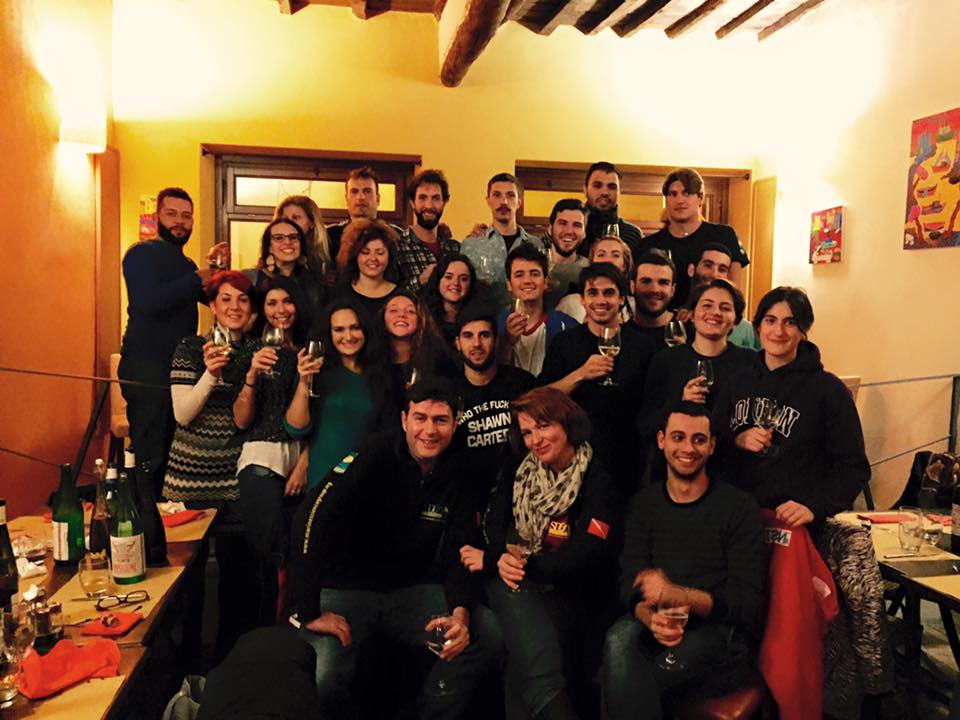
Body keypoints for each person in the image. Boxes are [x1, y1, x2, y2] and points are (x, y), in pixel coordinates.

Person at [291, 377, 501, 718]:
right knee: (323, 675)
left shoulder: (461, 468)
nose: (429, 430)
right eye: (420, 418)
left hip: (410, 593)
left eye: (440, 420)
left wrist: (459, 613)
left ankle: (429, 713)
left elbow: (462, 546)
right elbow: (311, 516)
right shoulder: (374, 452)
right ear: (404, 420)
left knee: (486, 632)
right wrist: (308, 609)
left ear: (455, 423)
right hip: (345, 591)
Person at [603, 402, 765, 720]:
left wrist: (680, 596)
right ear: (661, 440)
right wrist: (649, 617)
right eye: (678, 437)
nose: (688, 449)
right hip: (658, 621)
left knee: (634, 679)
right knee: (616, 641)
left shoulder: (739, 507)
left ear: (712, 445)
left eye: (698, 439)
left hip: (719, 632)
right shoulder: (643, 505)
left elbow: (747, 604)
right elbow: (629, 583)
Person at [462, 387, 617, 720]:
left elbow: (586, 555)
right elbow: (495, 521)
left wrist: (515, 564)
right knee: (514, 612)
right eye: (528, 432)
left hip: (574, 588)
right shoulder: (519, 466)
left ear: (568, 424)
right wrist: (500, 558)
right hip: (519, 576)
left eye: (544, 426)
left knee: (521, 643)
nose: (535, 440)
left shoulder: (597, 475)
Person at [712, 287, 870, 528]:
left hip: (795, 526)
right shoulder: (737, 382)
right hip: (737, 521)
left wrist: (813, 506)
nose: (779, 331)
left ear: (804, 330)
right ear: (758, 326)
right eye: (770, 320)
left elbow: (853, 467)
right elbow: (712, 446)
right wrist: (738, 439)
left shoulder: (828, 390)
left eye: (790, 322)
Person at [163, 270, 258, 655]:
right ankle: (182, 668)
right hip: (188, 480)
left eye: (243, 300)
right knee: (187, 584)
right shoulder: (190, 347)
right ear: (213, 307)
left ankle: (229, 664)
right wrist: (211, 374)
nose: (234, 307)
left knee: (238, 582)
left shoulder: (255, 352)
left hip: (235, 480)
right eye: (226, 299)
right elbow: (183, 413)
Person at [119, 186, 222, 495]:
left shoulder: (187, 265)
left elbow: (216, 300)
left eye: (186, 216)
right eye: (172, 214)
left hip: (180, 370)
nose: (180, 222)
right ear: (157, 217)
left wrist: (220, 274)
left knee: (173, 450)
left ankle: (171, 517)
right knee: (150, 452)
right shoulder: (140, 254)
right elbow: (149, 301)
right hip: (146, 369)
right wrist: (197, 278)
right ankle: (144, 517)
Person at [540, 264, 656, 498]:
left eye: (609, 293)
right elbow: (542, 398)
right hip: (575, 461)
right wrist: (581, 374)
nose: (601, 300)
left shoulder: (644, 346)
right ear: (582, 300)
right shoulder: (564, 342)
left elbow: (653, 406)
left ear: (621, 299)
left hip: (629, 462)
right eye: (593, 293)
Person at [233, 274, 307, 627]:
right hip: (262, 458)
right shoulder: (253, 351)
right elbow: (241, 420)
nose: (281, 309)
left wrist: (304, 463)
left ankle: (290, 632)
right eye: (272, 303)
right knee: (270, 557)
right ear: (262, 310)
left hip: (301, 459)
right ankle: (265, 635)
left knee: (297, 553)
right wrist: (251, 375)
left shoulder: (309, 351)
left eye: (287, 301)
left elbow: (321, 414)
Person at [284, 298, 394, 489]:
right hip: (323, 475)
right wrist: (303, 382)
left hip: (366, 476)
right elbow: (296, 428)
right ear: (329, 334)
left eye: (355, 328)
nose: (348, 336)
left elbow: (385, 434)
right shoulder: (316, 371)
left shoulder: (380, 375)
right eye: (339, 330)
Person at [639, 279, 754, 443]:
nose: (716, 312)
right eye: (707, 305)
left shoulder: (750, 362)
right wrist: (681, 403)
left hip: (733, 455)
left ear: (736, 321)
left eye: (725, 308)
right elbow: (646, 424)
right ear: (692, 315)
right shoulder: (666, 360)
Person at [452, 304, 535, 491]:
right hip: (466, 489)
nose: (476, 344)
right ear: (457, 343)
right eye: (468, 336)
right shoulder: (448, 392)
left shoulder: (522, 382)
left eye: (484, 335)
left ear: (496, 341)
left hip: (521, 486)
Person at [640, 168, 749, 308]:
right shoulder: (649, 245)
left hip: (712, 317)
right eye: (673, 194)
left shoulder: (724, 235)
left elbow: (735, 292)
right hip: (663, 319)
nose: (680, 200)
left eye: (686, 193)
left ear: (700, 197)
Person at [461, 172, 546, 309]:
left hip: (527, 319)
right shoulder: (471, 245)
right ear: (488, 201)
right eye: (497, 195)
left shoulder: (536, 245)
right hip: (485, 319)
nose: (504, 202)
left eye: (510, 195)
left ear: (519, 202)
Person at [497, 243, 577, 377]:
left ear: (545, 282)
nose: (527, 281)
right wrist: (506, 342)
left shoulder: (566, 326)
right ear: (509, 284)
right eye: (519, 275)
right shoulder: (495, 326)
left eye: (534, 274)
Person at [381, 291, 457, 411]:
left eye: (410, 311)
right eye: (394, 310)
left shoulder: (439, 360)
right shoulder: (371, 360)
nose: (401, 315)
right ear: (383, 318)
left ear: (420, 319)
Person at [243, 217, 325, 328]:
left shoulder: (315, 283)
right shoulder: (251, 279)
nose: (287, 242)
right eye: (279, 238)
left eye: (293, 237)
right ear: (269, 247)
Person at [683, 243, 760, 351]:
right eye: (708, 265)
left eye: (722, 269)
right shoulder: (675, 321)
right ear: (691, 270)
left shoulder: (744, 329)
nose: (714, 274)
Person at [395, 168, 459, 294]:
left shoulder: (455, 249)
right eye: (422, 198)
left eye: (435, 198)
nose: (429, 205)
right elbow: (389, 297)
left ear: (444, 202)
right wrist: (420, 281)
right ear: (412, 203)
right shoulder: (397, 247)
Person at [325, 166, 401, 261]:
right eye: (354, 192)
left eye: (367, 191)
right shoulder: (330, 236)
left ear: (378, 199)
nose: (360, 197)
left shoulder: (396, 235)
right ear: (346, 199)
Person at [556, 234, 635, 324]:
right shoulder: (570, 303)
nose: (608, 260)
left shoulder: (634, 306)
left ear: (625, 265)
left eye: (615, 255)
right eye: (601, 255)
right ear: (592, 261)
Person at [333, 218, 399, 319]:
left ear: (389, 256)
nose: (373, 258)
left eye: (380, 253)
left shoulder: (401, 295)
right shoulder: (338, 295)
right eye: (365, 252)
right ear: (355, 256)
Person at [581, 162, 643, 261]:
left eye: (611, 187)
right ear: (585, 190)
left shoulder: (633, 235)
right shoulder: (573, 230)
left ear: (619, 192)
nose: (604, 192)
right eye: (597, 186)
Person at [419, 252, 480, 347]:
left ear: (470, 284)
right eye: (448, 277)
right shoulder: (422, 316)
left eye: (463, 279)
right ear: (438, 280)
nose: (456, 283)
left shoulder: (480, 317)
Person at [274, 195, 335, 287]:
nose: (289, 223)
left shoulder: (325, 257)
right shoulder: (272, 256)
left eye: (296, 218)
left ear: (311, 222)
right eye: (285, 219)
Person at [543, 199, 589, 311]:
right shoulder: (532, 265)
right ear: (550, 229)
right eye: (562, 223)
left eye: (577, 225)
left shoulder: (590, 271)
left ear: (584, 233)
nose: (569, 231)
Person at [630, 251, 680, 345]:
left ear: (672, 290)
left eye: (663, 283)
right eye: (646, 281)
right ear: (632, 286)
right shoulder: (618, 336)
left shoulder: (691, 332)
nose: (655, 290)